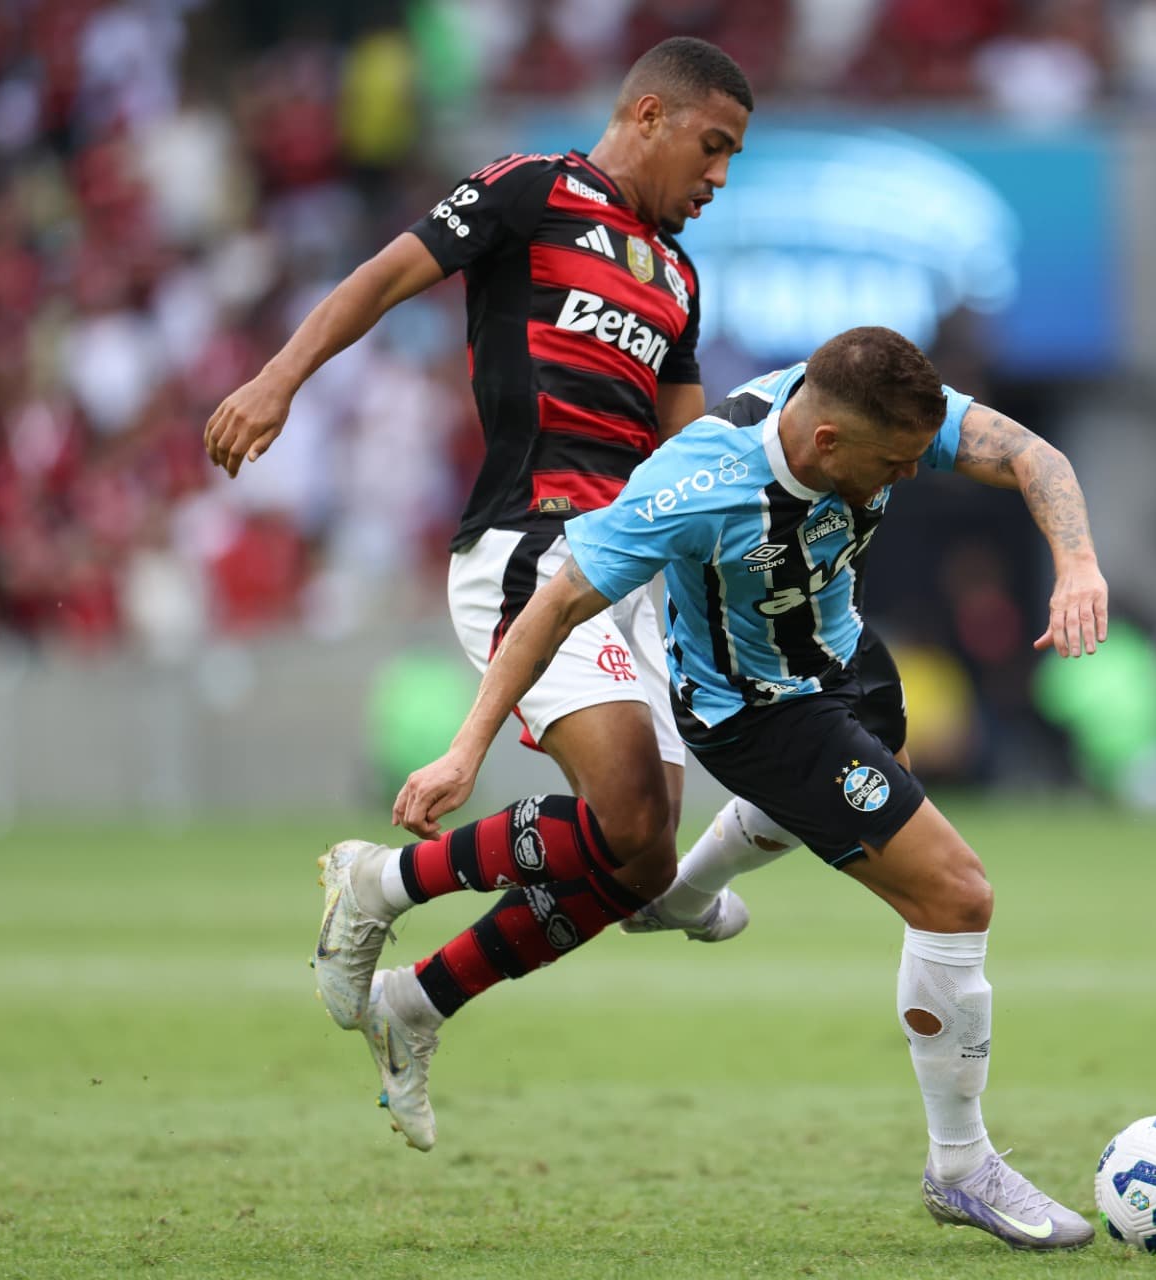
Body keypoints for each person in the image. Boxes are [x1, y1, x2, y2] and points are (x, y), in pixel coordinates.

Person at [394, 327, 1109, 1250]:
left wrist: (1079, 563)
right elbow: (552, 606)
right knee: (955, 893)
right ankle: (962, 1167)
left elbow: (1029, 454)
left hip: (847, 657)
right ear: (825, 445)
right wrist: (465, 750)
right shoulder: (698, 484)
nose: (900, 480)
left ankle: (682, 894)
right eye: (889, 465)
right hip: (756, 714)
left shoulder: (878, 412)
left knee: (881, 800)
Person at [204, 39, 786, 1144]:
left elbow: (689, 445)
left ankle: (415, 1004)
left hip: (630, 574)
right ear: (649, 113)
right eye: (712, 148)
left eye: (733, 159)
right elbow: (385, 274)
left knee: (641, 860)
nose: (718, 177)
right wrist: (278, 378)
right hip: (531, 548)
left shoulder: (677, 278)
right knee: (623, 819)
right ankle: (380, 880)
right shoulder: (533, 190)